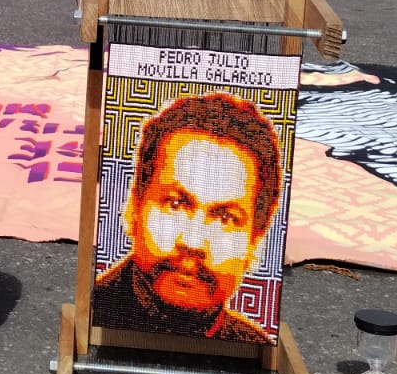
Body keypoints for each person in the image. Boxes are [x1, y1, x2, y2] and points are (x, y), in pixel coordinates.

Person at [94, 91, 284, 342]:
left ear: (254, 242)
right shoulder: (92, 314)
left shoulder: (252, 348)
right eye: (175, 204)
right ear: (134, 208)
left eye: (225, 219)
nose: (193, 242)